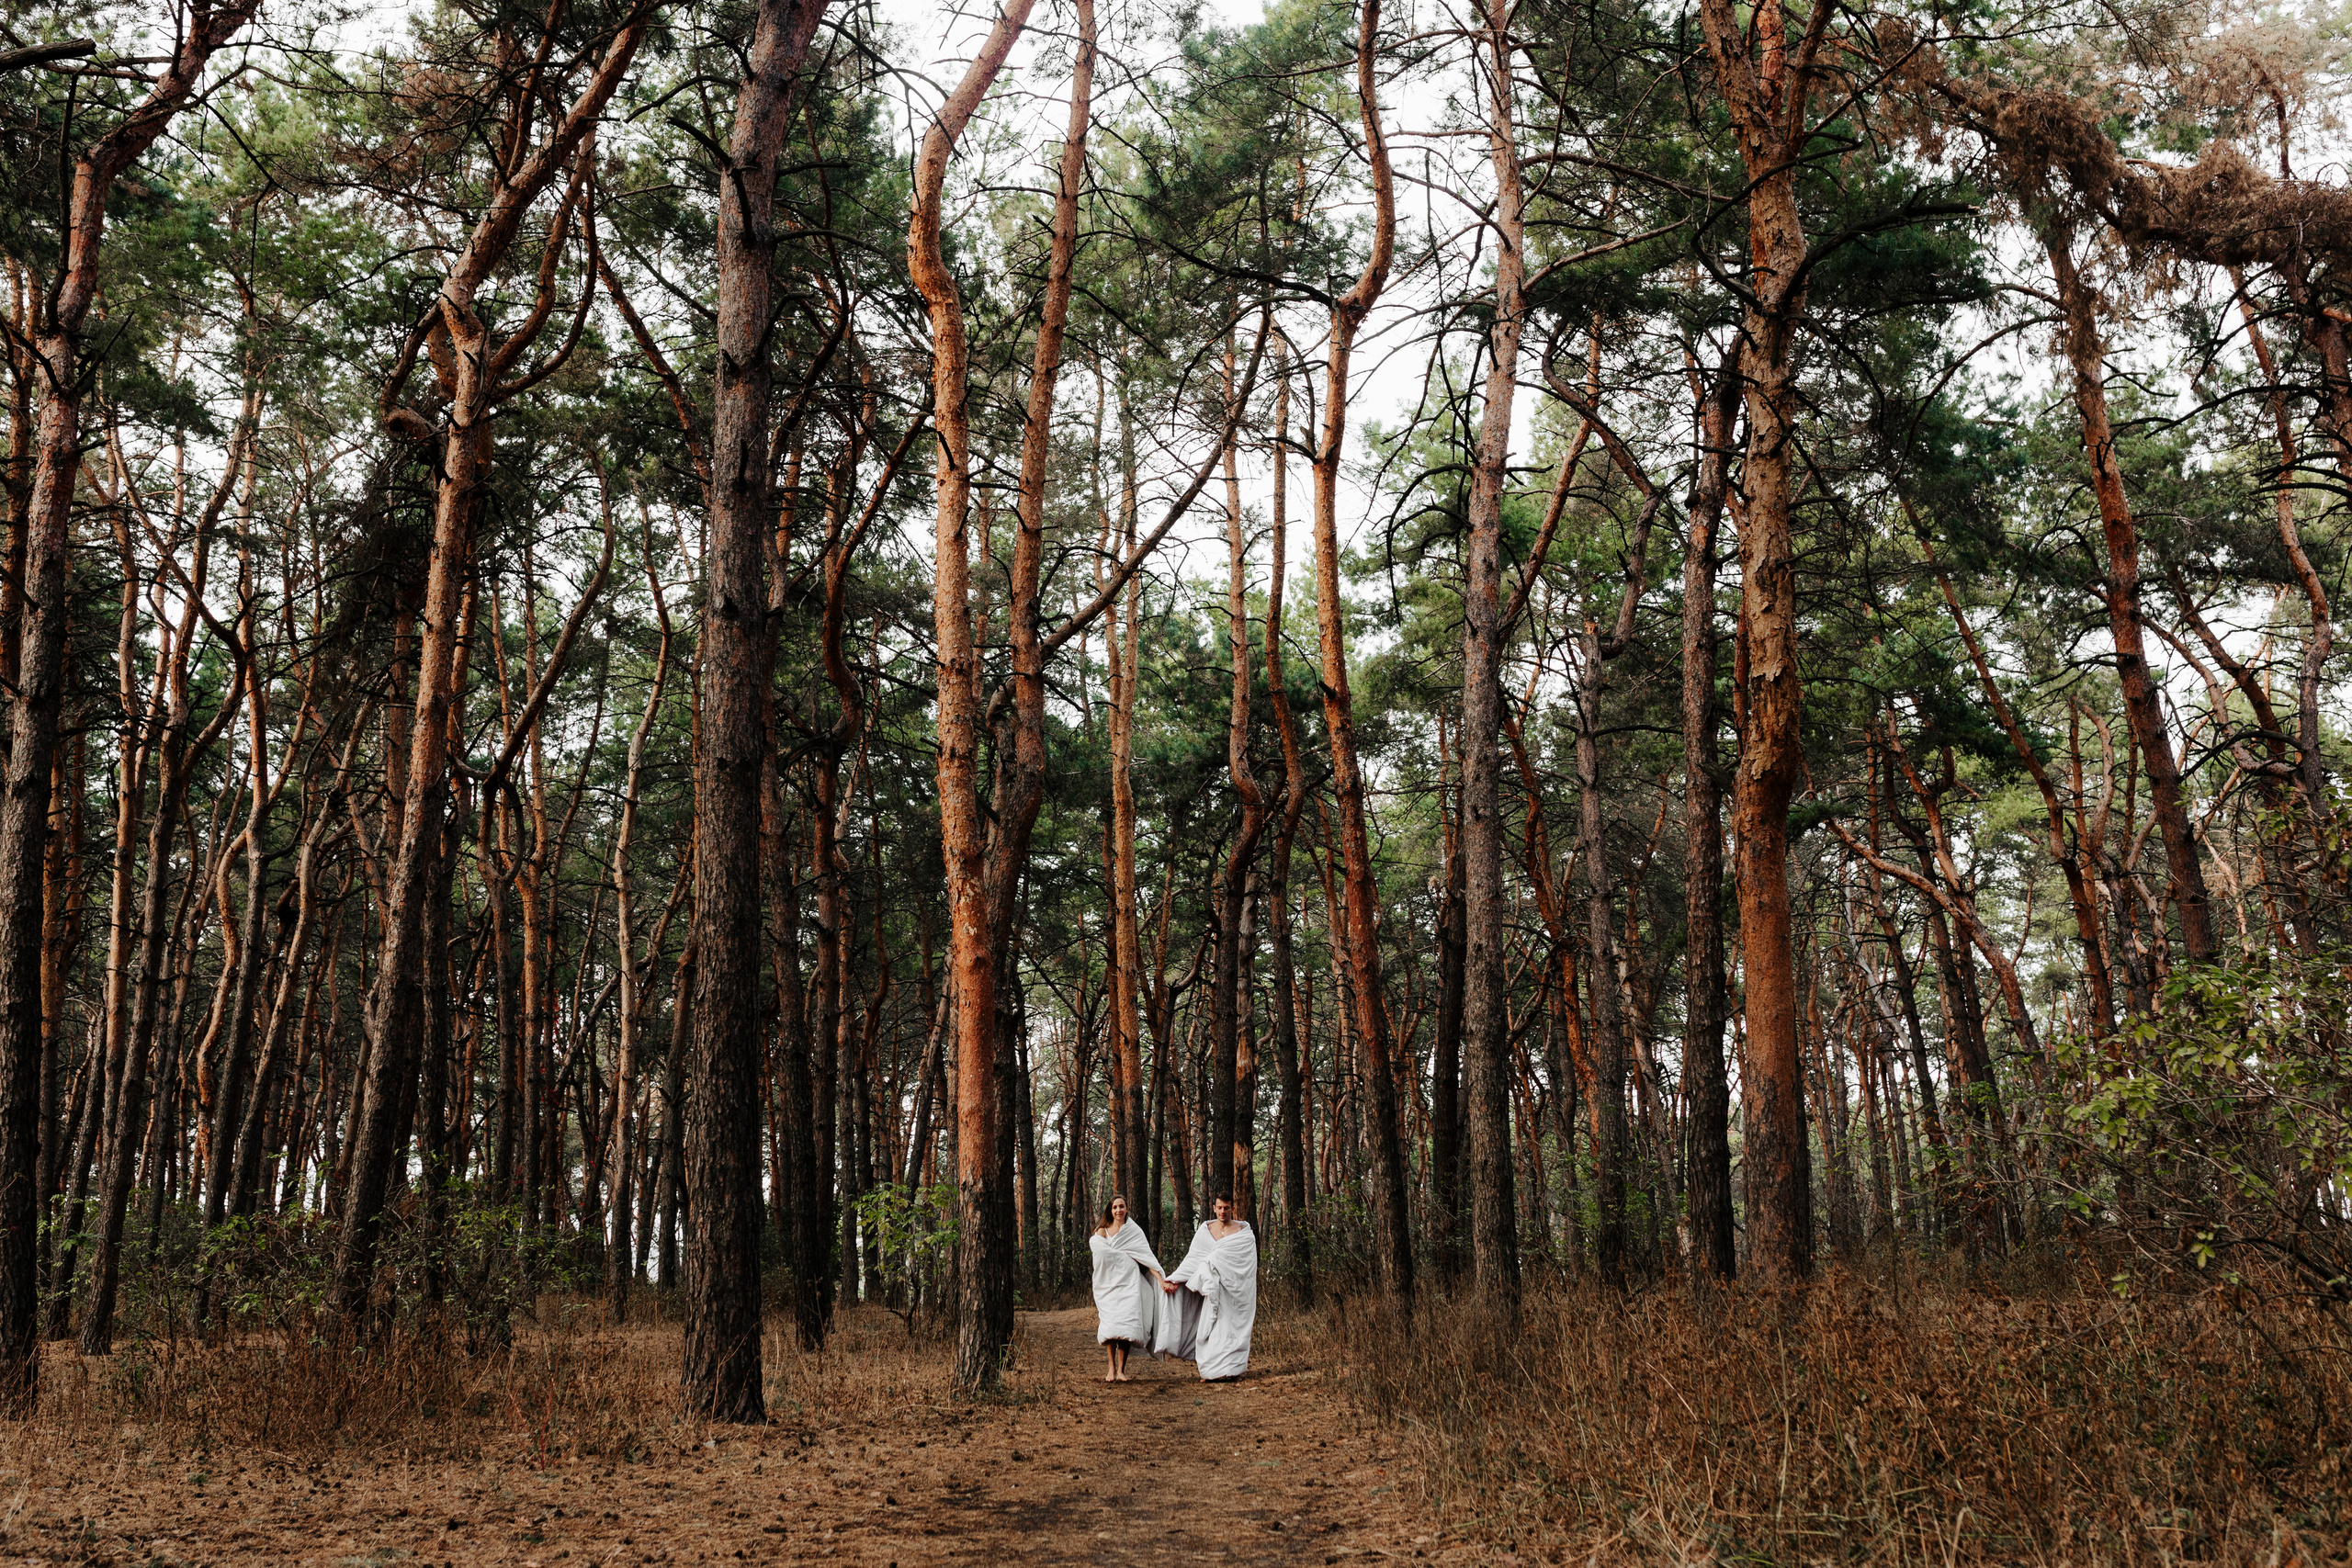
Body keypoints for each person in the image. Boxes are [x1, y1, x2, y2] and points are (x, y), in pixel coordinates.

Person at [1152, 1193, 1258, 1381]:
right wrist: (1175, 1279)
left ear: (1232, 1208)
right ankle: (1213, 1371)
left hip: (1235, 1292)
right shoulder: (1205, 1231)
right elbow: (1193, 1260)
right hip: (1212, 1292)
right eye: (1220, 1207)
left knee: (1232, 1328)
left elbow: (1246, 1266)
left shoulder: (1243, 1233)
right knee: (1212, 1329)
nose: (1223, 1211)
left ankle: (1233, 1370)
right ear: (1214, 1208)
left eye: (1226, 1207)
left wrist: (1217, 1264)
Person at [1089, 1195, 1167, 1382]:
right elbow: (1100, 1255)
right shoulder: (1102, 1232)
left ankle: (1122, 1370)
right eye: (1115, 1207)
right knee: (1110, 1326)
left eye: (1121, 1206)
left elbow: (1146, 1258)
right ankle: (1110, 1368)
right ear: (1110, 1210)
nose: (1118, 1210)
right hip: (1108, 1286)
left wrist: (1161, 1280)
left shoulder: (1133, 1231)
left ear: (1126, 1208)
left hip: (1129, 1285)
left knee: (1125, 1326)